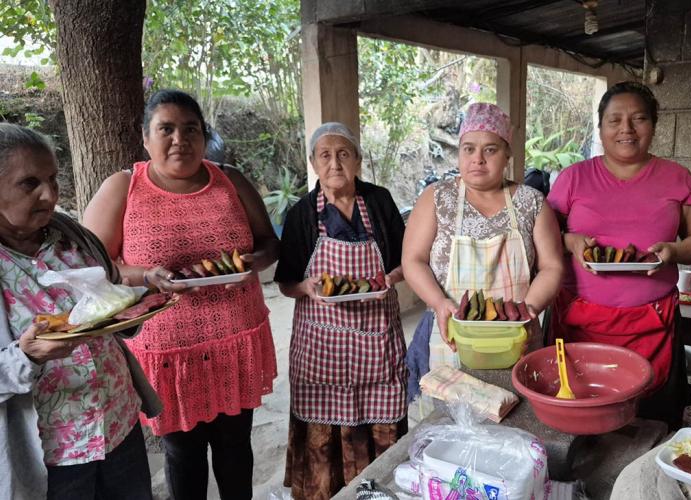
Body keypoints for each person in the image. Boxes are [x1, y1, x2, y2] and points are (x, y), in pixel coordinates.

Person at [83, 89, 279, 500]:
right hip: (169, 353)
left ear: (204, 136)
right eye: (166, 129)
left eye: (191, 129)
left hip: (235, 341)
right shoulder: (124, 187)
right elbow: (94, 264)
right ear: (145, 137)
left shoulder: (230, 181)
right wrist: (144, 274)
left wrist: (252, 265)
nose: (180, 140)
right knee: (182, 455)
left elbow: (268, 243)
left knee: (235, 447)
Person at [0, 123, 160, 500]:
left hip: (119, 424)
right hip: (53, 457)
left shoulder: (71, 235)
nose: (49, 194)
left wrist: (136, 300)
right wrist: (26, 357)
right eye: (29, 183)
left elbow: (109, 297)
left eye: (52, 179)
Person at [547, 81, 691, 426]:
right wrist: (570, 241)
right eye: (615, 120)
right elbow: (543, 239)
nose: (627, 129)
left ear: (653, 125)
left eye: (639, 119)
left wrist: (674, 250)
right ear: (600, 127)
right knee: (581, 414)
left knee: (649, 421)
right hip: (579, 322)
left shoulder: (677, 177)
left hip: (654, 324)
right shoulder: (573, 177)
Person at [275, 122, 407, 500]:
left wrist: (389, 279)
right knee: (322, 435)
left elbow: (404, 261)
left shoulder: (379, 202)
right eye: (325, 155)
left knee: (382, 419)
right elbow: (286, 283)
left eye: (344, 154)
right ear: (313, 163)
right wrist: (306, 288)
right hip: (322, 346)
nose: (335, 163)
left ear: (358, 160)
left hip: (376, 339)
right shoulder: (302, 214)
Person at [403, 102, 564, 398]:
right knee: (452, 417)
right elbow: (413, 260)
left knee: (516, 413)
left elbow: (552, 266)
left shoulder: (531, 202)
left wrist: (528, 310)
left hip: (516, 335)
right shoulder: (436, 198)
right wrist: (438, 302)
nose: (477, 159)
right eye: (468, 149)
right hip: (452, 333)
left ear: (507, 155)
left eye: (490, 149)